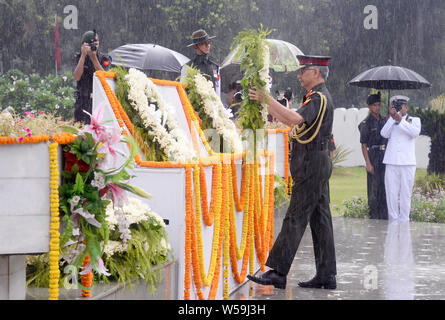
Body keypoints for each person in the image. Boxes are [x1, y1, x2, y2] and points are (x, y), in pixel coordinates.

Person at [247, 55, 337, 290]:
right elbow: (293, 122)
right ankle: (326, 275)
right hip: (317, 160)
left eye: (303, 71)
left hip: (312, 163)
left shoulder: (318, 98)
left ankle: (278, 271)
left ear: (315, 73)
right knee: (320, 220)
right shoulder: (317, 97)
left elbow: (295, 119)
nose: (299, 75)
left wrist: (266, 100)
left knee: (295, 217)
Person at [380, 95, 421, 222]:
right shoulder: (390, 120)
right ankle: (393, 219)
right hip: (391, 162)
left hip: (407, 163)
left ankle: (404, 220)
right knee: (391, 193)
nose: (399, 109)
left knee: (405, 194)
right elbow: (384, 133)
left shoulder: (414, 120)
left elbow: (414, 133)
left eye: (401, 106)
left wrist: (400, 120)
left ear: (406, 107)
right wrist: (392, 119)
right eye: (396, 106)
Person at [358, 92, 388, 220]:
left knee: (385, 187)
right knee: (374, 189)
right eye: (374, 105)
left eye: (379, 105)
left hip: (385, 156)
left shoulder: (384, 120)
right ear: (369, 107)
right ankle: (374, 216)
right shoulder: (366, 123)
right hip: (374, 155)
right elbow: (364, 145)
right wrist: (368, 163)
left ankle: (384, 216)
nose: (377, 107)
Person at [73, 30, 112, 124]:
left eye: (96, 43)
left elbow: (105, 78)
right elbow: (77, 77)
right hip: (82, 101)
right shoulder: (79, 57)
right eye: (91, 44)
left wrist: (94, 58)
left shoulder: (104, 58)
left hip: (99, 100)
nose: (94, 46)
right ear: (83, 45)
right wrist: (83, 56)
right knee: (81, 130)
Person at [181, 29, 221, 97]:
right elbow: (183, 91)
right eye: (203, 43)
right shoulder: (187, 67)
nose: (207, 45)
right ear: (195, 46)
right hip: (193, 106)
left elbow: (217, 92)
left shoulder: (215, 67)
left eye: (208, 42)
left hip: (212, 105)